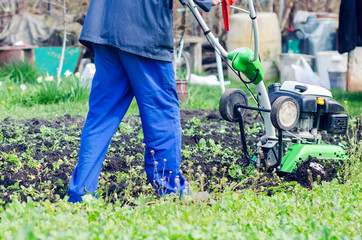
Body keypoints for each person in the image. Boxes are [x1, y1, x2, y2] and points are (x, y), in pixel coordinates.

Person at [68, 0, 221, 203]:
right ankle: (169, 189)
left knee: (101, 116)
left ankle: (81, 193)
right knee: (161, 113)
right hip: (144, 29)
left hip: (105, 26)